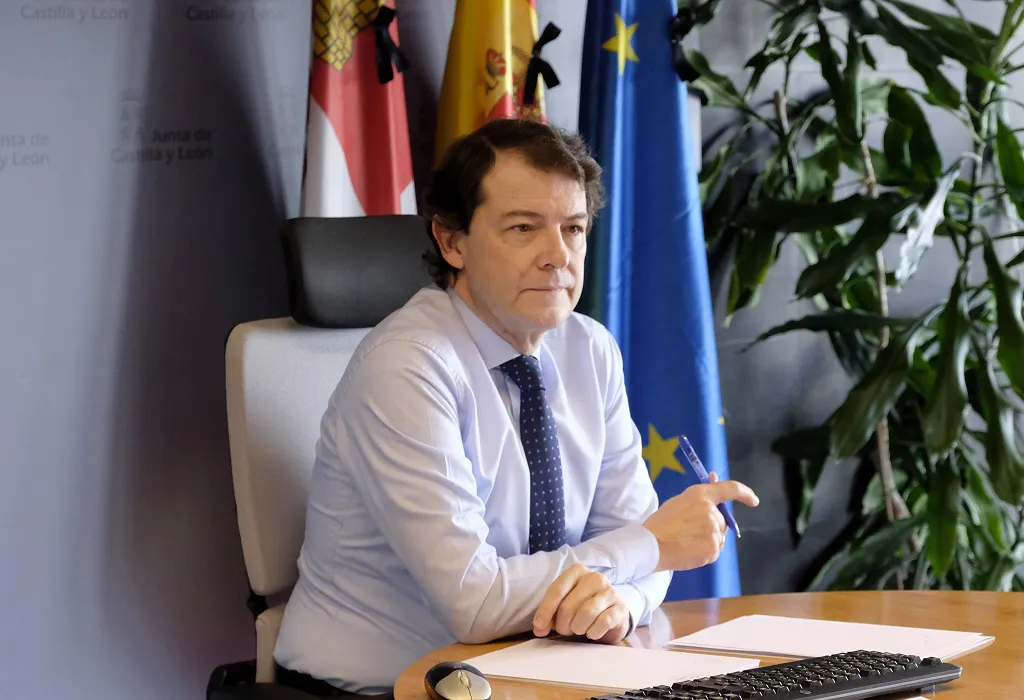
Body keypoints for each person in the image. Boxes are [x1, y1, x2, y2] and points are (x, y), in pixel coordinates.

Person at [272, 118, 760, 697]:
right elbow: (475, 603)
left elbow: (638, 553)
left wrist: (620, 605)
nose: (558, 255)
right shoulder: (407, 366)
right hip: (379, 691)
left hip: (540, 676)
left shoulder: (589, 348)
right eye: (524, 228)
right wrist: (654, 544)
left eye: (573, 228)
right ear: (452, 242)